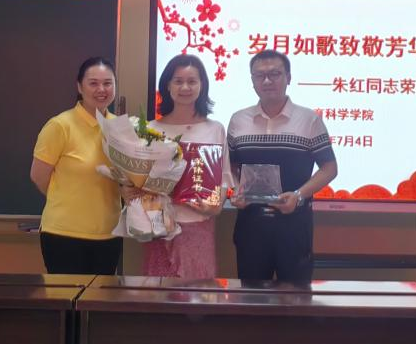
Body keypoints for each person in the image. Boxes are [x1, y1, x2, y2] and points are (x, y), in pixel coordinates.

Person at [228, 49, 337, 283]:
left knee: (295, 295)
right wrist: (237, 189)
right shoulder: (238, 120)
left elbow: (329, 168)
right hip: (251, 223)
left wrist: (299, 195)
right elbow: (231, 166)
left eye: (275, 74)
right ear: (252, 81)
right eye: (260, 75)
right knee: (251, 295)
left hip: (294, 222)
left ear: (288, 77)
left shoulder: (309, 119)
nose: (267, 81)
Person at [140, 54, 231, 279]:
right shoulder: (151, 129)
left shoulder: (215, 129)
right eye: (178, 81)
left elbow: (224, 177)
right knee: (159, 293)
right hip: (161, 227)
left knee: (198, 293)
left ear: (202, 85)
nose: (185, 87)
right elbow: (139, 179)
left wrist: (215, 207)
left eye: (192, 81)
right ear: (167, 85)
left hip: (199, 224)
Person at [30, 57, 122, 274]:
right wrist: (69, 198)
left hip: (109, 234)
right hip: (64, 235)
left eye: (107, 83)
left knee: (101, 296)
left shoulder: (120, 127)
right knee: (68, 296)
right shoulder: (60, 125)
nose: (101, 89)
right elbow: (39, 176)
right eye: (93, 83)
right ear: (79, 87)